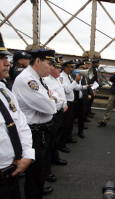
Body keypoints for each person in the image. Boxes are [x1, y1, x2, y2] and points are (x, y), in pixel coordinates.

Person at [12, 48, 57, 198]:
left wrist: (51, 98)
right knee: (34, 172)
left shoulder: (38, 79)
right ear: (38, 61)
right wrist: (51, 99)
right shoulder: (27, 80)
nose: (52, 68)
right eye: (49, 64)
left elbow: (52, 97)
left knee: (39, 169)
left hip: (41, 131)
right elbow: (50, 107)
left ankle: (38, 189)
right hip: (33, 133)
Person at [0, 33, 34, 199]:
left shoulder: (5, 91)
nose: (7, 62)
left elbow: (20, 123)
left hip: (11, 175)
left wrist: (26, 153)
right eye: (1, 58)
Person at [43, 58, 68, 183]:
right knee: (49, 143)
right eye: (57, 67)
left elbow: (62, 94)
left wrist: (65, 104)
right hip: (53, 114)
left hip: (59, 113)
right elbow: (51, 97)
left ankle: (55, 157)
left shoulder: (57, 80)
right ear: (52, 69)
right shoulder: (47, 81)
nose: (60, 70)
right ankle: (46, 171)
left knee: (55, 140)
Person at [58, 59, 82, 153]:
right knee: (65, 125)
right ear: (66, 67)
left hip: (71, 103)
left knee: (69, 123)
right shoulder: (61, 77)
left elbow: (75, 87)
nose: (72, 68)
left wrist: (85, 87)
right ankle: (61, 144)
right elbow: (67, 90)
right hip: (66, 103)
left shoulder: (68, 77)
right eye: (71, 67)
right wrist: (75, 81)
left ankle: (68, 138)